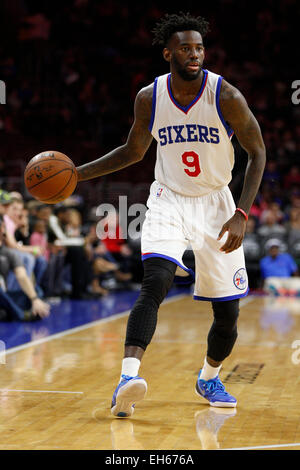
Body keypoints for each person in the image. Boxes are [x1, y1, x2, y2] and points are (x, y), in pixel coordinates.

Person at [75, 12, 266, 415]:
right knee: (155, 282)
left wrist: (242, 212)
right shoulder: (150, 97)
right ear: (168, 53)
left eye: (198, 47)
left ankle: (209, 378)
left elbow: (257, 151)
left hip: (217, 204)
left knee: (227, 314)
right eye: (185, 48)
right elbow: (133, 151)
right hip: (169, 198)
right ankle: (127, 379)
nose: (194, 54)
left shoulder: (225, 95)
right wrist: (77, 174)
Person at [0, 214, 50, 321]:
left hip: (4, 296)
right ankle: (20, 315)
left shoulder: (9, 253)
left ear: (3, 229)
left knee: (36, 290)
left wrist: (34, 299)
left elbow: (22, 276)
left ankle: (11, 311)